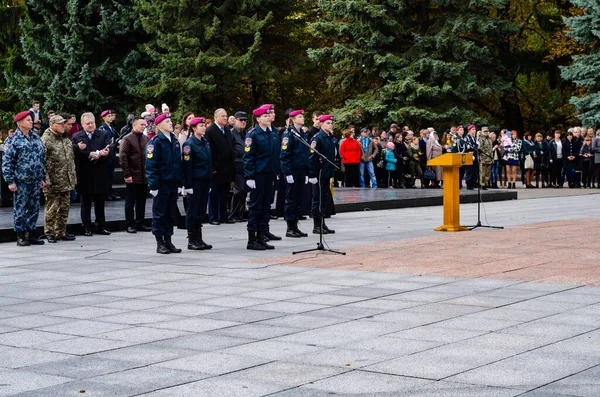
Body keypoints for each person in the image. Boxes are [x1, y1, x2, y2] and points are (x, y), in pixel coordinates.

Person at [2, 111, 46, 246]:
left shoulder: (35, 137)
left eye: (31, 120)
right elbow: (7, 162)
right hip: (21, 181)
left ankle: (30, 233)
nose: (31, 122)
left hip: (35, 179)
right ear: (19, 123)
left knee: (34, 208)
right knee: (21, 208)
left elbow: (41, 159)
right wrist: (10, 181)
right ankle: (20, 235)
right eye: (28, 120)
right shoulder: (13, 139)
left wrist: (42, 177)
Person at [145, 113, 184, 254]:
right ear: (159, 125)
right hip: (161, 184)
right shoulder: (155, 142)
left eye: (171, 121)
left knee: (170, 213)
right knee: (159, 214)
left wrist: (180, 182)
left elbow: (177, 164)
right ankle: (159, 242)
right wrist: (154, 185)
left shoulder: (174, 140)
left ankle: (168, 240)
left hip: (173, 183)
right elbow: (151, 165)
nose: (170, 123)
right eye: (167, 121)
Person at [244, 106, 279, 250]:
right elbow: (248, 156)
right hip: (258, 174)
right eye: (264, 116)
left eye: (268, 115)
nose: (267, 117)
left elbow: (273, 155)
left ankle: (261, 236)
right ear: (258, 119)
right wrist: (249, 176)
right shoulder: (252, 134)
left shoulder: (270, 133)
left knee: (265, 206)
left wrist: (275, 171)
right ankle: (252, 240)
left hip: (269, 173)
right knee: (255, 206)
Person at [72, 112, 112, 236]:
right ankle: (86, 226)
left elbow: (108, 148)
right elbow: (75, 153)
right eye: (88, 123)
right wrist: (89, 154)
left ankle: (101, 225)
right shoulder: (77, 136)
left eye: (92, 123)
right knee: (86, 203)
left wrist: (106, 153)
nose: (90, 125)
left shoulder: (103, 134)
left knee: (100, 202)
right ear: (82, 124)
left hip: (100, 173)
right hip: (85, 173)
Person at [41, 115, 77, 243]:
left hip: (66, 180)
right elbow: (42, 162)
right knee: (52, 208)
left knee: (64, 208)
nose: (64, 126)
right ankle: (49, 232)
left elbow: (70, 161)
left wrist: (72, 178)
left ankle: (60, 231)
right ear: (52, 125)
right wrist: (46, 179)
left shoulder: (65, 139)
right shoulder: (46, 140)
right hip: (53, 181)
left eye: (64, 124)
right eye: (61, 124)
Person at [182, 117, 213, 250]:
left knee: (200, 210)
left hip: (205, 180)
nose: (204, 128)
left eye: (204, 126)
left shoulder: (205, 142)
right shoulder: (189, 144)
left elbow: (209, 162)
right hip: (195, 181)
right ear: (194, 128)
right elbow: (187, 166)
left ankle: (199, 238)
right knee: (192, 211)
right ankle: (192, 239)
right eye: (201, 126)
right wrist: (188, 185)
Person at [280, 109, 310, 238]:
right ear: (293, 119)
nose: (302, 118)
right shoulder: (289, 134)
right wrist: (287, 173)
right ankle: (290, 227)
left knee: (298, 198)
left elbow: (306, 154)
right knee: (291, 199)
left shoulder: (301, 134)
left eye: (302, 116)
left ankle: (295, 226)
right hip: (292, 170)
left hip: (301, 170)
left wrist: (307, 172)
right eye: (299, 116)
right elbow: (284, 155)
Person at [119, 117, 151, 234]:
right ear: (134, 125)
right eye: (141, 124)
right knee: (130, 201)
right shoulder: (127, 139)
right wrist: (127, 174)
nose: (144, 126)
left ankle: (140, 222)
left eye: (145, 124)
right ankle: (130, 224)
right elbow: (123, 157)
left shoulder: (146, 139)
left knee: (141, 201)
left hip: (143, 175)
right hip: (132, 175)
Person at [205, 108, 235, 225]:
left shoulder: (227, 130)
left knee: (224, 194)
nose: (225, 118)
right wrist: (212, 167)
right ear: (215, 117)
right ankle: (213, 217)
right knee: (214, 194)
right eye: (222, 116)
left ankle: (223, 215)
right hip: (216, 168)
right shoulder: (210, 131)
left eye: (226, 116)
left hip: (227, 168)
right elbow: (210, 151)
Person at [308, 114, 336, 234]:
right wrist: (312, 174)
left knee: (324, 198)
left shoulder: (330, 137)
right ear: (321, 124)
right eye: (327, 123)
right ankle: (316, 225)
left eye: (331, 123)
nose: (330, 125)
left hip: (326, 172)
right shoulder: (317, 137)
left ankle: (322, 223)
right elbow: (312, 157)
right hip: (319, 172)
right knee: (317, 199)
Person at [230, 111, 249, 222]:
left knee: (244, 190)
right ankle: (233, 214)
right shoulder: (232, 133)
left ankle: (240, 213)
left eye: (245, 120)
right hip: (237, 164)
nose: (243, 122)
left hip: (245, 165)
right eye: (240, 120)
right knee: (239, 190)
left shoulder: (245, 133)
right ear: (235, 120)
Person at [98, 109, 120, 200]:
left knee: (111, 174)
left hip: (112, 153)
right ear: (103, 118)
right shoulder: (102, 129)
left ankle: (110, 191)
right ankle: (106, 193)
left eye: (112, 116)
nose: (111, 118)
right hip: (107, 154)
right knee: (106, 174)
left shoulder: (112, 128)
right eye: (108, 116)